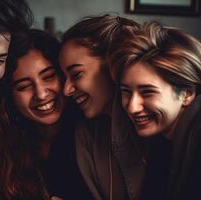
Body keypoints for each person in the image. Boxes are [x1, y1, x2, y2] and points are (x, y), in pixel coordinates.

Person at [110, 21, 201, 200]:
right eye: (126, 92)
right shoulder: (161, 140)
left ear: (187, 93)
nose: (132, 107)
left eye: (147, 92)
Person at [0, 29, 91, 199]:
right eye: (24, 86)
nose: (40, 94)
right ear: (10, 97)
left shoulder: (91, 134)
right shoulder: (3, 143)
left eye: (49, 77)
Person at [58, 14, 144, 200]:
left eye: (77, 74)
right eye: (64, 77)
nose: (66, 90)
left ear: (114, 65)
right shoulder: (86, 134)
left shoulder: (155, 126)